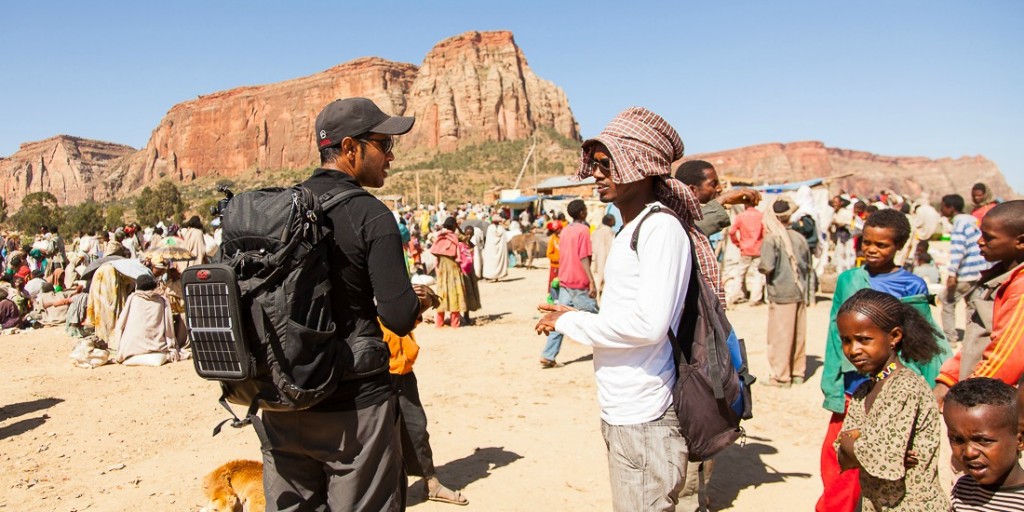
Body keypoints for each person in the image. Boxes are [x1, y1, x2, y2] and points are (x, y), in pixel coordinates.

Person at [535, 107, 719, 511]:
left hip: (646, 412)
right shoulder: (632, 228)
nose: (597, 174)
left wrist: (572, 320)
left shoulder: (659, 227)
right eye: (596, 164)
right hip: (625, 408)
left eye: (607, 165)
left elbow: (649, 325)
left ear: (642, 165)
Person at [257, 97, 431, 512]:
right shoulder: (372, 215)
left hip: (282, 402)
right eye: (384, 144)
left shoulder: (280, 210)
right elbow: (398, 316)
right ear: (351, 148)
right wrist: (421, 301)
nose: (391, 156)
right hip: (354, 410)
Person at [817, 208, 952, 512]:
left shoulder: (912, 285)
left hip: (885, 381)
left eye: (882, 245)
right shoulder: (848, 279)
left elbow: (922, 340)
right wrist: (833, 385)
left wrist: (935, 385)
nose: (872, 250)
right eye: (867, 243)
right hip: (853, 385)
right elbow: (834, 336)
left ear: (898, 247)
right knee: (837, 467)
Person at [834, 289, 947, 511]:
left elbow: (883, 462)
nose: (853, 350)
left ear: (894, 336)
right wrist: (860, 448)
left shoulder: (905, 386)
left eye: (864, 340)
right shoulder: (864, 390)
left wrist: (854, 443)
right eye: (846, 341)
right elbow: (842, 456)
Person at [935, 200, 1024, 401]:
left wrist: (967, 398)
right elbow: (975, 341)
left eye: (989, 238)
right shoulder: (999, 276)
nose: (979, 242)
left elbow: (1005, 358)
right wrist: (948, 379)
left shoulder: (1020, 289)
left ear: (1020, 242)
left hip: (993, 400)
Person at [381, 312, 470, 507]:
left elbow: (401, 312)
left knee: (416, 429)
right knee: (380, 438)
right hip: (375, 374)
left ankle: (431, 484)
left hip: (403, 372)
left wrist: (417, 308)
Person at [945, 378, 1024, 510]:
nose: (969, 452)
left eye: (983, 441)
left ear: (1020, 441)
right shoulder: (963, 489)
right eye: (958, 440)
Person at [758, 198, 811, 387]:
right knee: (798, 335)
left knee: (780, 337)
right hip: (799, 290)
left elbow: (767, 266)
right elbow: (807, 266)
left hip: (781, 292)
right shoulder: (800, 237)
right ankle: (797, 373)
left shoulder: (773, 239)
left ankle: (781, 377)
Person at [539, 199, 599, 368]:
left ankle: (548, 354)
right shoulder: (584, 231)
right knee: (595, 318)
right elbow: (584, 257)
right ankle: (610, 352)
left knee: (560, 318)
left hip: (565, 280)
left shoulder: (565, 231)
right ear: (582, 213)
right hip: (579, 281)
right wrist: (591, 281)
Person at [941, 194, 989, 345]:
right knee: (972, 304)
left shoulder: (959, 224)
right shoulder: (971, 221)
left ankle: (950, 338)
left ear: (951, 208)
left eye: (943, 206)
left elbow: (958, 250)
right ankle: (971, 338)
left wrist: (952, 273)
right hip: (979, 269)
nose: (942, 209)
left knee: (947, 300)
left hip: (967, 272)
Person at [674, 159, 762, 239]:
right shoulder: (673, 218)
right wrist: (723, 199)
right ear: (692, 190)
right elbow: (695, 228)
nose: (719, 188)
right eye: (713, 184)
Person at [113, 274, 179, 367]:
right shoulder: (162, 301)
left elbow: (121, 324)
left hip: (131, 348)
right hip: (157, 347)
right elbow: (169, 327)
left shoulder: (133, 298)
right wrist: (172, 347)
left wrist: (119, 348)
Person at [727, 198, 766, 306]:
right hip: (758, 249)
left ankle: (735, 296)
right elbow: (765, 232)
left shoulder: (741, 216)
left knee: (740, 274)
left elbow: (732, 232)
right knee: (758, 274)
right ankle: (755, 299)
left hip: (745, 249)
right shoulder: (761, 216)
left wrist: (738, 243)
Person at [430, 217, 467, 329]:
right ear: (454, 226)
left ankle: (439, 322)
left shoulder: (439, 236)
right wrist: (459, 229)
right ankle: (455, 323)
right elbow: (466, 238)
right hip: (453, 267)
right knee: (455, 293)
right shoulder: (456, 237)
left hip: (441, 268)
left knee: (441, 294)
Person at [458, 225, 481, 325]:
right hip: (463, 271)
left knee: (470, 293)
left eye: (470, 234)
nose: (469, 235)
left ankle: (466, 315)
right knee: (465, 293)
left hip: (470, 270)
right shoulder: (460, 243)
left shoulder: (471, 244)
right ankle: (463, 317)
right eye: (467, 233)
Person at [591, 213, 615, 299]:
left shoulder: (596, 231)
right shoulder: (609, 231)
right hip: (606, 258)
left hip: (596, 259)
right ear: (609, 221)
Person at [482, 215, 509, 281]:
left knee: (491, 262)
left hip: (491, 249)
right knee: (499, 261)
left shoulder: (490, 228)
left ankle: (492, 276)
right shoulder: (501, 229)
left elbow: (489, 240)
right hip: (500, 250)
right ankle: (498, 276)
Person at [544, 220, 562, 301]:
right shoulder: (552, 239)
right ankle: (554, 300)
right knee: (554, 284)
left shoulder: (564, 238)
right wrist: (557, 259)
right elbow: (549, 254)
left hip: (563, 267)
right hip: (555, 266)